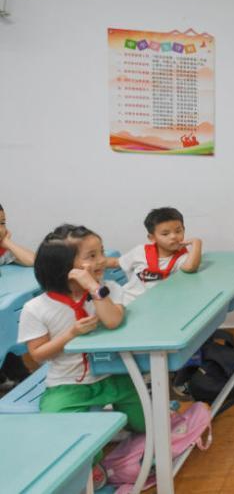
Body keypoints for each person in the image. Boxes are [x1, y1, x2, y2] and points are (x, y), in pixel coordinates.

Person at [17, 224, 146, 489]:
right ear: (64, 267)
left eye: (101, 252)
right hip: (67, 384)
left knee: (146, 424)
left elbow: (112, 320)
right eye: (91, 256)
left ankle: (125, 441)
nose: (102, 260)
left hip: (114, 377)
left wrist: (92, 287)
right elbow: (38, 355)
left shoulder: (107, 290)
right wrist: (70, 334)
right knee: (59, 432)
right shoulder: (36, 308)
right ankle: (93, 463)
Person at [108, 207, 202, 305]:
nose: (173, 236)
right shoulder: (140, 251)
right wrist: (98, 262)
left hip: (155, 305)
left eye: (178, 231)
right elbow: (115, 262)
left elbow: (190, 267)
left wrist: (197, 243)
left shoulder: (182, 258)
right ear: (152, 238)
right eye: (165, 234)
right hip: (125, 300)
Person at [0, 202, 35, 389]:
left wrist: (8, 243)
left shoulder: (2, 252)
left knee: (8, 323)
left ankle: (15, 375)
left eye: (3, 223)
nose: (1, 229)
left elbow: (33, 261)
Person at [0, 202, 36, 266]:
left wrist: (7, 242)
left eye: (2, 223)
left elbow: (34, 260)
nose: (0, 230)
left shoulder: (3, 252)